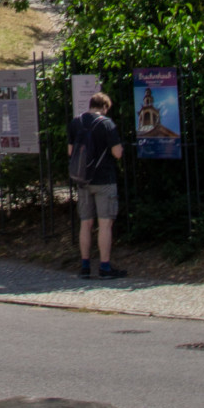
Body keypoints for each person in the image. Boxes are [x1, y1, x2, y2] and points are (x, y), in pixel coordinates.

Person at [69, 91, 126, 278]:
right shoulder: (107, 124)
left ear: (90, 105)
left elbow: (71, 152)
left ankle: (85, 266)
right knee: (105, 224)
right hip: (105, 180)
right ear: (105, 107)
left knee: (85, 224)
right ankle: (104, 267)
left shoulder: (76, 122)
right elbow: (117, 153)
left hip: (83, 180)